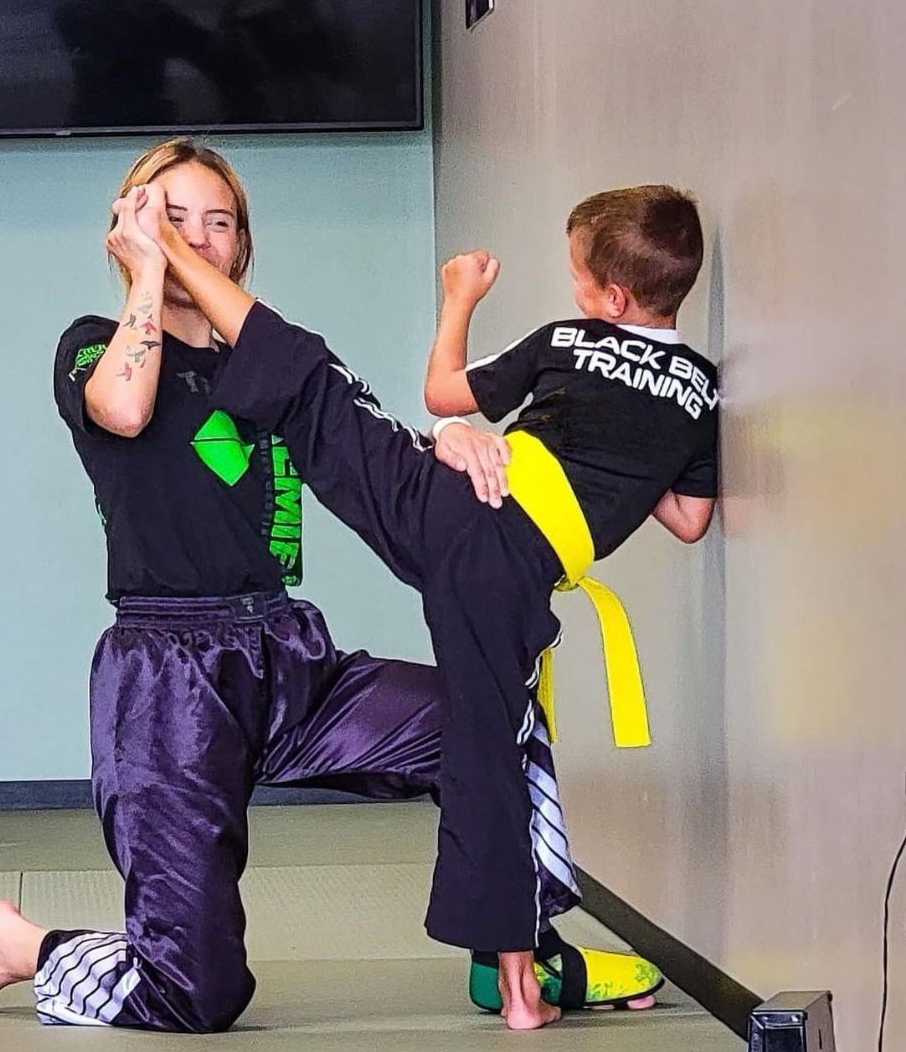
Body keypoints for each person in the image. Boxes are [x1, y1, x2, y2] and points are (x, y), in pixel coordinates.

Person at [0, 141, 662, 1032]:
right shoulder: (91, 349)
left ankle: (519, 950)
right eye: (170, 215)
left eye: (216, 223)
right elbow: (127, 408)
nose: (195, 236)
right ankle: (22, 946)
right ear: (128, 227)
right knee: (197, 996)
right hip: (167, 678)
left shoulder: (266, 367)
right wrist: (149, 274)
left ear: (240, 247)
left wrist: (454, 438)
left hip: (289, 657)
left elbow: (366, 444)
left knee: (495, 721)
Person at [117, 180, 718, 1029]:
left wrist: (459, 298)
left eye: (581, 278)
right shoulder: (700, 387)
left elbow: (443, 394)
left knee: (313, 383)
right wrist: (635, 463)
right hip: (506, 561)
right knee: (493, 748)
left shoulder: (568, 340)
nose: (578, 293)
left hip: (454, 512)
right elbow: (689, 520)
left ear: (610, 298)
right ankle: (517, 984)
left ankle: (516, 979)